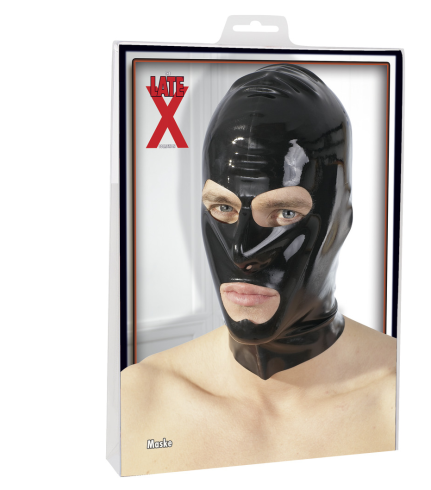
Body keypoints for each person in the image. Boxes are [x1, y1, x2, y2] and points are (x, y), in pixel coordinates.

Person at [121, 64, 396, 476]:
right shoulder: (139, 398)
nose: (242, 253)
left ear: (341, 222)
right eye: (223, 207)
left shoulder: (406, 404)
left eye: (285, 213)